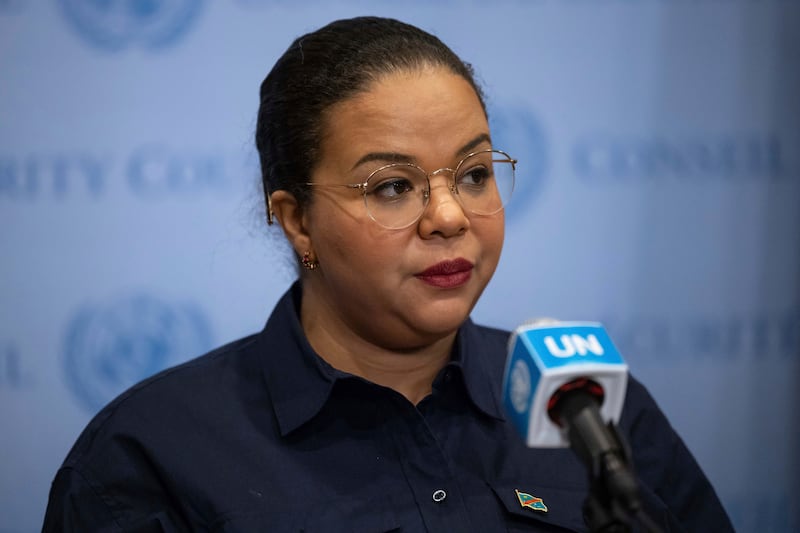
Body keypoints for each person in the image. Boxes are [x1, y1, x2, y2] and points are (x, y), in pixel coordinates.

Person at [43, 16, 733, 532]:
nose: (449, 216)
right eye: (392, 187)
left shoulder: (586, 410)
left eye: (473, 174)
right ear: (298, 221)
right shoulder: (153, 451)